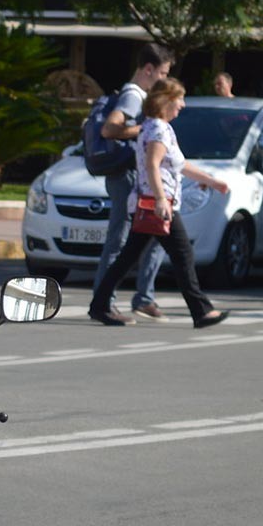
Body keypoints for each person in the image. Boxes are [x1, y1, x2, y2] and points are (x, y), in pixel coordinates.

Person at [88, 77, 231, 329]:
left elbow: (179, 164)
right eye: (179, 99)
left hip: (152, 203)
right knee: (183, 254)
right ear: (165, 100)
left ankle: (99, 305)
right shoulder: (157, 129)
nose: (183, 105)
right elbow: (153, 165)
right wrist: (161, 199)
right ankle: (201, 311)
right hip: (157, 205)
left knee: (130, 256)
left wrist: (211, 181)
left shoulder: (155, 127)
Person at [91, 43, 175, 322]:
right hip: (124, 177)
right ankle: (105, 302)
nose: (164, 79)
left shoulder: (140, 95)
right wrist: (144, 129)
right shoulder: (133, 95)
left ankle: (143, 298)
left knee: (150, 238)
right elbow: (109, 129)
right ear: (148, 70)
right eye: (163, 73)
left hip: (130, 176)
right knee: (120, 239)